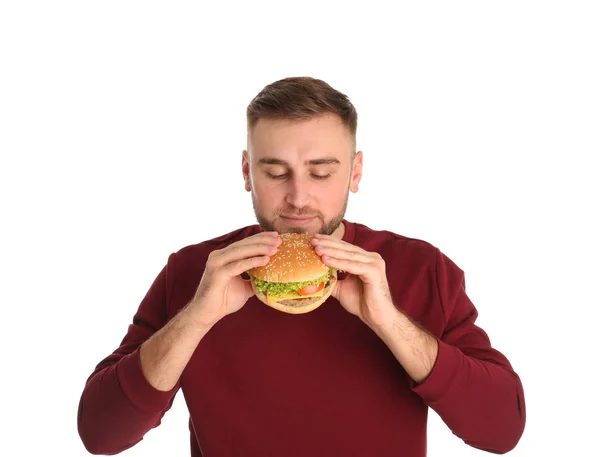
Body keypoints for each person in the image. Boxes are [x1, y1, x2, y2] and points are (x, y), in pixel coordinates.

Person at [77, 76, 526, 456]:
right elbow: (101, 435)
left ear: (355, 172)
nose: (297, 197)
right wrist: (198, 317)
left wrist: (389, 322)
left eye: (321, 172)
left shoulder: (420, 267)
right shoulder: (196, 271)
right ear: (246, 171)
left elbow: (502, 430)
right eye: (275, 173)